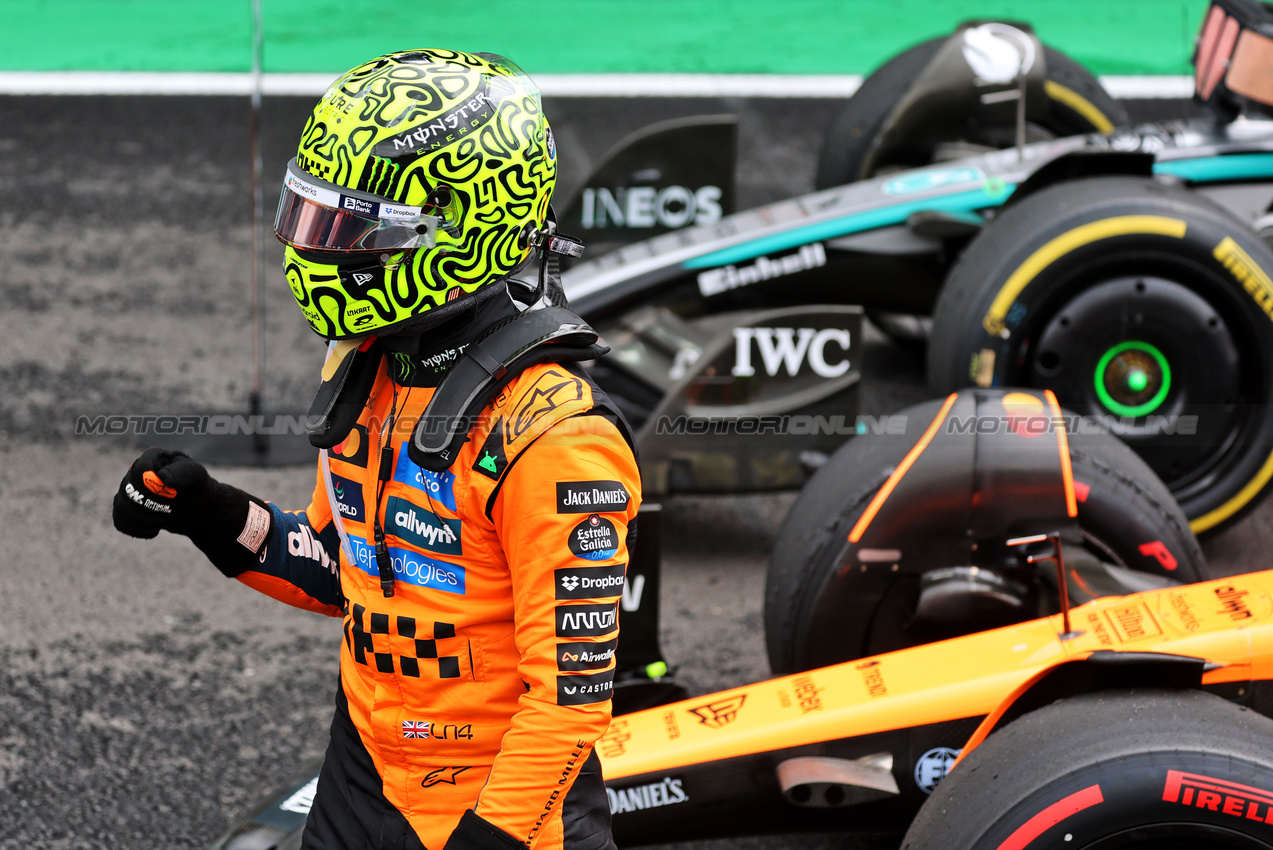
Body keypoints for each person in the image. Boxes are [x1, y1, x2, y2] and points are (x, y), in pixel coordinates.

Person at [112, 49, 640, 850]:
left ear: (458, 231)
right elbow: (341, 573)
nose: (320, 250)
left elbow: (568, 703)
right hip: (362, 780)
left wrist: (488, 841)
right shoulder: (365, 361)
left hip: (505, 814)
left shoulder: (555, 437)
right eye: (313, 217)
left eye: (348, 228)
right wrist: (214, 514)